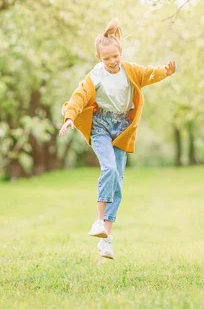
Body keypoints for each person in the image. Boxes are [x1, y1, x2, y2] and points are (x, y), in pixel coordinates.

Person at [58, 18, 176, 260]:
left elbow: (150, 73)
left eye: (115, 56)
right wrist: (70, 117)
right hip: (100, 126)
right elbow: (79, 96)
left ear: (120, 52)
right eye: (106, 58)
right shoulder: (96, 74)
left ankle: (106, 240)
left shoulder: (130, 71)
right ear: (99, 58)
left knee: (118, 183)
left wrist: (166, 71)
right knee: (109, 168)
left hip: (122, 129)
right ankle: (98, 220)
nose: (112, 62)